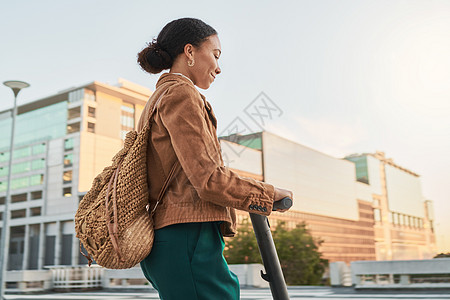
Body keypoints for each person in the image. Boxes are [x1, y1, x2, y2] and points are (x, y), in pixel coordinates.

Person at [136, 17, 293, 300]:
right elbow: (209, 180)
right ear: (190, 52)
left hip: (173, 238)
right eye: (216, 54)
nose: (219, 67)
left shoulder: (158, 97)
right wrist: (267, 194)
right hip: (188, 237)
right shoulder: (181, 94)